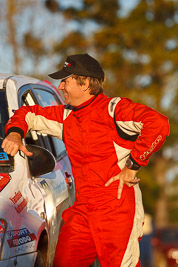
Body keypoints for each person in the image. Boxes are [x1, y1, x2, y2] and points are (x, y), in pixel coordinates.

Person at [2, 53, 170, 267]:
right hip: (81, 211)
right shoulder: (66, 115)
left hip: (117, 210)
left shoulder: (114, 110)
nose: (60, 87)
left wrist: (133, 165)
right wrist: (15, 133)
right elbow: (26, 114)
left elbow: (159, 124)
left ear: (85, 83)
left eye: (65, 80)